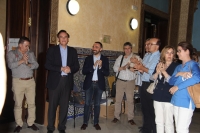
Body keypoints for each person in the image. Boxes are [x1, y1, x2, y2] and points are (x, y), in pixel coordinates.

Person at [45, 30, 79, 133]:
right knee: (52, 106)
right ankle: (50, 127)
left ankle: (61, 127)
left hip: (67, 82)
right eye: (61, 37)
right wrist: (60, 68)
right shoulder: (52, 50)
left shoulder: (73, 51)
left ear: (68, 39)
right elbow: (47, 65)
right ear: (58, 39)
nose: (63, 39)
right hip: (55, 82)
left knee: (64, 106)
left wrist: (70, 69)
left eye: (65, 37)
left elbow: (76, 66)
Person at [7, 36, 39, 132]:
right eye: (26, 46)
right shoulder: (12, 53)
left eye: (28, 46)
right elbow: (10, 65)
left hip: (30, 81)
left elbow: (36, 65)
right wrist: (21, 61)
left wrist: (28, 63)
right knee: (18, 104)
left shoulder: (31, 53)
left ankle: (30, 123)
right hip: (18, 81)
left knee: (32, 103)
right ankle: (19, 124)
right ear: (20, 45)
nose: (27, 48)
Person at [169, 42, 200, 133]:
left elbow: (197, 78)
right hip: (176, 100)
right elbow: (171, 81)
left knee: (182, 129)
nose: (177, 53)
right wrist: (179, 74)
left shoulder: (193, 64)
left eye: (179, 51)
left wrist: (178, 87)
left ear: (187, 51)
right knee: (178, 128)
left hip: (186, 101)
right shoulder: (178, 67)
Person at [80, 42, 109, 130]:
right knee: (87, 104)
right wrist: (93, 67)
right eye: (93, 46)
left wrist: (100, 67)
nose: (94, 48)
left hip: (99, 84)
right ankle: (85, 122)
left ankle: (96, 122)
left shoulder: (105, 59)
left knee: (97, 104)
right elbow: (84, 72)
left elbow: (107, 73)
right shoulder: (88, 59)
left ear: (101, 49)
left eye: (96, 47)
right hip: (89, 83)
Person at [134, 38, 161, 133]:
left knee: (152, 109)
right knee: (144, 108)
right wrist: (139, 67)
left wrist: (141, 67)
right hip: (143, 83)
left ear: (157, 46)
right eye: (147, 44)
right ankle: (146, 128)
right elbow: (144, 69)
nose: (148, 46)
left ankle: (154, 129)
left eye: (150, 44)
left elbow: (151, 71)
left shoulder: (159, 57)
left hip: (151, 85)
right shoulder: (147, 55)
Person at [151, 46, 179, 133]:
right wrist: (157, 72)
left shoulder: (176, 66)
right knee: (158, 121)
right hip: (158, 95)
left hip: (169, 96)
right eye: (167, 52)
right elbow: (152, 79)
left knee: (168, 122)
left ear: (174, 55)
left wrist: (163, 72)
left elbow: (174, 81)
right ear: (163, 54)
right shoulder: (159, 64)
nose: (169, 55)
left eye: (171, 53)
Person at [112, 42, 137, 125]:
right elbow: (114, 68)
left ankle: (130, 118)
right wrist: (121, 68)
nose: (127, 50)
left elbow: (139, 69)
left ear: (131, 49)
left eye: (128, 48)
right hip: (120, 81)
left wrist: (131, 66)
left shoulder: (136, 58)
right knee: (118, 100)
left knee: (130, 101)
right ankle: (116, 117)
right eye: (125, 48)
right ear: (123, 49)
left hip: (130, 82)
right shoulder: (120, 57)